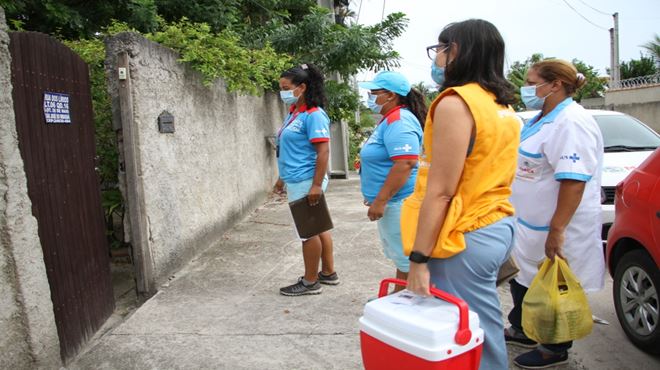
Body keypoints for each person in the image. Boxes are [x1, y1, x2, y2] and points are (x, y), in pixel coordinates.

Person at [403, 19, 521, 370]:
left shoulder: (456, 103)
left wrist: (418, 259)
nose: (437, 57)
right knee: (479, 321)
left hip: (463, 232)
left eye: (440, 48)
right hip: (495, 223)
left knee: (472, 334)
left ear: (458, 51)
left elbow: (440, 192)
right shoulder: (502, 107)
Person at [505, 59, 604, 369]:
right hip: (529, 224)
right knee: (524, 278)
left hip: (557, 225)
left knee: (554, 287)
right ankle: (523, 328)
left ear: (555, 84)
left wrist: (557, 229)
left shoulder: (571, 123)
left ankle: (554, 348)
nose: (526, 88)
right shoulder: (541, 118)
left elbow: (573, 181)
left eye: (532, 81)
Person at [275, 63, 339, 296]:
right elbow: (288, 148)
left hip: (306, 180)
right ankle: (328, 273)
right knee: (318, 226)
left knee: (308, 232)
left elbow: (323, 152)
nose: (282, 92)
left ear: (302, 87)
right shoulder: (294, 112)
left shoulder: (314, 115)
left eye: (285, 87)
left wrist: (315, 186)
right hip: (296, 178)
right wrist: (281, 179)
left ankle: (310, 282)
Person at [357, 71, 426, 286]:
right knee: (400, 253)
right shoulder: (390, 119)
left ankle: (406, 299)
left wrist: (381, 200)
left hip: (400, 202)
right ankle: (400, 294)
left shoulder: (400, 121)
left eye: (374, 92)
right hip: (393, 201)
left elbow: (405, 163)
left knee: (405, 255)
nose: (370, 97)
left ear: (391, 95)